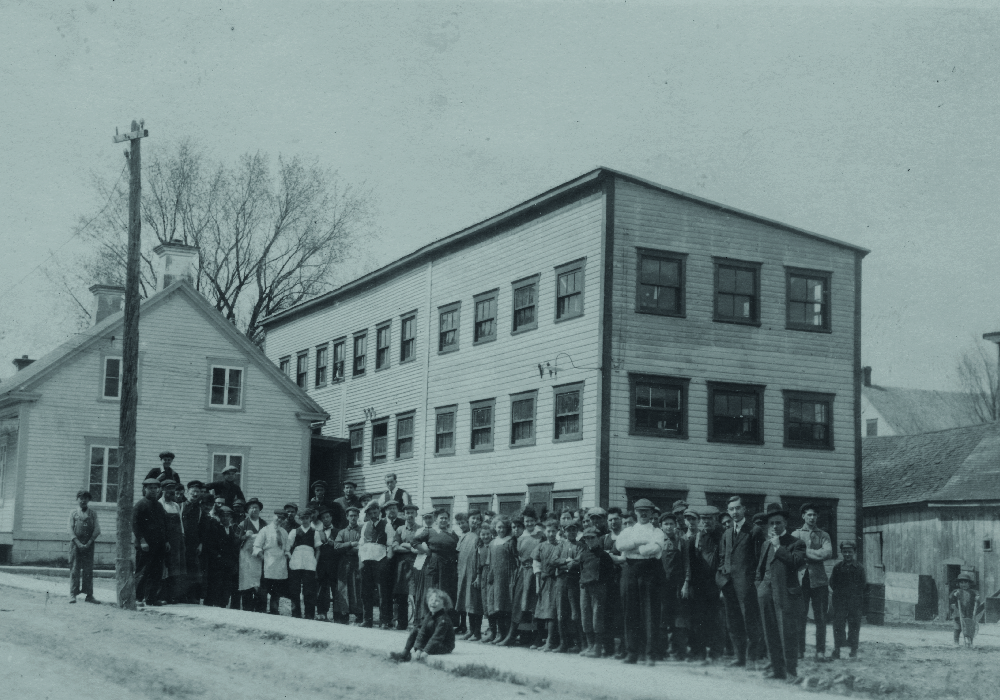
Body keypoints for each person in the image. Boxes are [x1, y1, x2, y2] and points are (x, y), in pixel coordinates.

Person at [755, 502, 807, 682]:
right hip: (766, 594)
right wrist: (759, 588)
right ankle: (776, 670)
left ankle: (791, 672)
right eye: (771, 523)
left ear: (785, 522)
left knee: (787, 634)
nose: (775, 526)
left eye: (778, 523)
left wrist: (778, 547)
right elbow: (759, 569)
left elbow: (795, 563)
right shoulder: (765, 544)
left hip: (785, 594)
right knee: (770, 633)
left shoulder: (796, 543)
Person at [716, 495, 766, 668]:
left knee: (750, 621)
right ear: (728, 512)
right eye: (731, 509)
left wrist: (756, 582)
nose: (735, 512)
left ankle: (752, 658)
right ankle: (740, 657)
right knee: (733, 621)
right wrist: (721, 580)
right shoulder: (727, 533)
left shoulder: (754, 530)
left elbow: (761, 559)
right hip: (728, 585)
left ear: (744, 509)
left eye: (738, 508)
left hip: (747, 585)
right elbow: (722, 558)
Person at [615, 498, 665, 665]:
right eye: (640, 511)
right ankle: (632, 652)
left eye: (647, 511)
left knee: (650, 612)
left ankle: (650, 653)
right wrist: (639, 543)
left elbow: (655, 548)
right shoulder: (628, 531)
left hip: (650, 571)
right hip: (629, 571)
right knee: (630, 612)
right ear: (635, 512)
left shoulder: (657, 532)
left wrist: (637, 548)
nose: (643, 514)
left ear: (652, 513)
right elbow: (620, 546)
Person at [792, 503, 833, 661]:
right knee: (800, 617)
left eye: (815, 515)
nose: (812, 517)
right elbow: (795, 555)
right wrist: (815, 554)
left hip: (819, 581)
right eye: (809, 514)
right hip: (801, 581)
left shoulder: (824, 535)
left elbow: (827, 553)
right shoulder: (796, 534)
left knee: (820, 617)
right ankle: (799, 650)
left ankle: (820, 651)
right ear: (803, 516)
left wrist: (805, 552)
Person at [681, 505, 723, 663]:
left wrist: (723, 586)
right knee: (698, 618)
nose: (706, 522)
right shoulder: (695, 539)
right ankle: (698, 651)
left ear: (715, 519)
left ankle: (716, 652)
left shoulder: (723, 537)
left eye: (710, 519)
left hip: (717, 585)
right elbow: (689, 564)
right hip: (699, 586)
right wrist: (688, 584)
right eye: (704, 519)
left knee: (716, 620)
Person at [412, 509, 460, 626]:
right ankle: (428, 621)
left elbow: (458, 549)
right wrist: (426, 551)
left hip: (449, 567)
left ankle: (445, 621)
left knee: (446, 592)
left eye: (445, 518)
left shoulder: (452, 534)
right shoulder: (430, 531)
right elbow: (414, 541)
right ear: (436, 519)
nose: (443, 520)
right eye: (441, 518)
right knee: (432, 592)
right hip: (434, 566)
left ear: (448, 520)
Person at [391, 588, 456, 662]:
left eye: (437, 601)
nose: (433, 602)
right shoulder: (429, 615)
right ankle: (405, 653)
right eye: (431, 600)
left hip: (443, 644)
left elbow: (436, 638)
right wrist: (418, 649)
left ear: (444, 605)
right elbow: (422, 632)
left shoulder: (443, 620)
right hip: (432, 641)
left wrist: (426, 652)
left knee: (430, 644)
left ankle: (415, 654)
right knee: (415, 630)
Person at [358, 500, 395, 628]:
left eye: (375, 511)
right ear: (367, 513)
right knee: (366, 591)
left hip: (380, 560)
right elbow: (361, 544)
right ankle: (367, 620)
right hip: (366, 559)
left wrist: (387, 561)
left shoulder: (387, 524)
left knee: (382, 592)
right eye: (371, 512)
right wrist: (361, 561)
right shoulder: (365, 526)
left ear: (379, 511)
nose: (373, 514)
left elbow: (390, 544)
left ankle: (384, 621)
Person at [578, 525, 614, 657]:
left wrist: (601, 585)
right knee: (585, 616)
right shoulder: (583, 555)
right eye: (586, 539)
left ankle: (598, 648)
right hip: (584, 587)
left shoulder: (604, 556)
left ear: (598, 538)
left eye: (592, 538)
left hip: (598, 588)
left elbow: (610, 574)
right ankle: (590, 645)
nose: (589, 541)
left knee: (597, 617)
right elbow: (581, 570)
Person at [133, 477, 169, 606]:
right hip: (145, 545)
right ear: (144, 489)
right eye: (150, 488)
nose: (153, 491)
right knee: (143, 571)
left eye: (155, 488)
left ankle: (151, 598)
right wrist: (142, 541)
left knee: (156, 572)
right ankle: (137, 598)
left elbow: (163, 525)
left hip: (158, 545)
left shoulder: (159, 505)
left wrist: (165, 541)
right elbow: (136, 526)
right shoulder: (140, 505)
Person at [829, 540, 866, 659]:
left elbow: (863, 585)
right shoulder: (837, 567)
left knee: (854, 625)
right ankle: (837, 649)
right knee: (838, 625)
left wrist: (854, 595)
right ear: (841, 553)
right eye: (844, 552)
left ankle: (853, 649)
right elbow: (832, 583)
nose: (847, 554)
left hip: (855, 601)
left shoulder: (859, 568)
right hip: (840, 601)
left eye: (850, 552)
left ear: (854, 552)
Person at [485, 516, 518, 646]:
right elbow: (490, 561)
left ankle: (506, 634)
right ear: (495, 528)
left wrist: (513, 577)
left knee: (505, 606)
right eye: (499, 527)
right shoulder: (493, 543)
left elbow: (516, 560)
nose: (501, 530)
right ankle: (498, 633)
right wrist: (490, 575)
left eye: (503, 527)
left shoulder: (510, 541)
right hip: (495, 577)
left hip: (507, 577)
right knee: (495, 605)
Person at [658, 511, 685, 660]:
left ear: (676, 526)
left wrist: (686, 583)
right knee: (662, 619)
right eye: (666, 524)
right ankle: (662, 650)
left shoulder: (681, 541)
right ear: (661, 526)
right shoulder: (658, 542)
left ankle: (678, 650)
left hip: (677, 586)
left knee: (678, 619)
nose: (669, 527)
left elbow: (687, 564)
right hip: (662, 586)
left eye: (671, 524)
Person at [532, 518, 563, 651]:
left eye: (553, 531)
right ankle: (539, 639)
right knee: (540, 611)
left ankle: (550, 641)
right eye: (549, 531)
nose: (551, 534)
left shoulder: (561, 545)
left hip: (555, 581)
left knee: (551, 611)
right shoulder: (541, 546)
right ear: (545, 531)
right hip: (543, 581)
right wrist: (538, 585)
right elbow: (536, 567)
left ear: (557, 531)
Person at [286, 508, 322, 619]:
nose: (305, 521)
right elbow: (287, 549)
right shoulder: (294, 532)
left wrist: (315, 562)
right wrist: (292, 559)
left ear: (310, 518)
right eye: (302, 518)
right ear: (299, 519)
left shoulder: (315, 532)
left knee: (309, 590)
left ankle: (309, 615)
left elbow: (318, 549)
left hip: (309, 563)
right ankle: (296, 614)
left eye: (306, 518)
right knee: (295, 589)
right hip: (296, 562)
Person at [253, 509, 290, 615]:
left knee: (276, 593)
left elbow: (287, 549)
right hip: (267, 566)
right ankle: (261, 612)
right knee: (263, 592)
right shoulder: (265, 530)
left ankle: (274, 612)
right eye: (278, 517)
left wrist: (287, 557)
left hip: (280, 567)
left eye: (282, 518)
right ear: (273, 516)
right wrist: (264, 559)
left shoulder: (284, 532)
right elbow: (257, 547)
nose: (280, 520)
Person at [392, 503, 422, 630]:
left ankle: (417, 622)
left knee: (416, 594)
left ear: (416, 514)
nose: (409, 515)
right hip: (402, 566)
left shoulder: (420, 529)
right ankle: (402, 623)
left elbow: (421, 547)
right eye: (407, 513)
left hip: (416, 565)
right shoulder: (399, 529)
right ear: (404, 515)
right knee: (401, 595)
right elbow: (394, 547)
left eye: (412, 513)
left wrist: (405, 545)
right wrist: (410, 548)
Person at [68, 490, 101, 604]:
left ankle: (89, 595)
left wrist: (89, 542)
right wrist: (78, 543)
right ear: (77, 499)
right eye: (81, 498)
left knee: (88, 569)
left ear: (89, 500)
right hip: (75, 545)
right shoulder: (73, 513)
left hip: (89, 545)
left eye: (86, 498)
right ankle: (73, 594)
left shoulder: (93, 513)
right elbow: (70, 529)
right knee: (75, 569)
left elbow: (97, 529)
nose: (83, 500)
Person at [204, 505, 240, 607]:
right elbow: (210, 546)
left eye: (227, 516)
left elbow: (234, 546)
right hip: (217, 564)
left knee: (226, 587)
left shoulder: (233, 529)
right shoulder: (215, 528)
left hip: (229, 564)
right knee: (216, 586)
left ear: (231, 518)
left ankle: (223, 606)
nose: (225, 518)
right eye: (223, 516)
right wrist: (218, 556)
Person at [158, 479, 187, 604]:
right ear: (162, 490)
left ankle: (172, 596)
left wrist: (182, 536)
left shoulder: (176, 505)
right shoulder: (160, 504)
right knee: (164, 569)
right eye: (168, 488)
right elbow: (161, 525)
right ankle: (161, 595)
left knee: (176, 569)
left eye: (172, 489)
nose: (170, 491)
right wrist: (165, 541)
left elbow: (180, 523)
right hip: (166, 542)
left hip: (177, 541)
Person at [333, 505, 363, 623]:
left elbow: (363, 547)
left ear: (358, 516)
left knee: (357, 588)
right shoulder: (342, 532)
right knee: (343, 587)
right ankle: (343, 613)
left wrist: (348, 547)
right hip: (344, 563)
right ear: (347, 517)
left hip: (357, 562)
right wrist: (350, 544)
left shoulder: (362, 530)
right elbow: (336, 546)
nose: (353, 518)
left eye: (355, 515)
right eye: (351, 516)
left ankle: (359, 614)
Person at [179, 480, 207, 603]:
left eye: (197, 492)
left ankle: (191, 596)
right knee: (181, 570)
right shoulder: (181, 506)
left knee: (193, 571)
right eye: (193, 492)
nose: (195, 494)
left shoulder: (200, 510)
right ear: (188, 492)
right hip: (182, 543)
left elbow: (202, 529)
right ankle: (179, 596)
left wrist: (201, 544)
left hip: (194, 545)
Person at [237, 497, 266, 611]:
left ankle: (260, 610)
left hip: (259, 557)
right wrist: (245, 536)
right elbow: (236, 540)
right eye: (252, 508)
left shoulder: (264, 524)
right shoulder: (243, 524)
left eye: (256, 508)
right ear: (247, 510)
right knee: (247, 583)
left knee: (260, 583)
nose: (254, 510)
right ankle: (247, 609)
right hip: (246, 558)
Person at [456, 511, 482, 639]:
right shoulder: (465, 536)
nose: (475, 521)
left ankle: (477, 632)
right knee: (467, 601)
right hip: (463, 573)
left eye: (477, 519)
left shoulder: (480, 536)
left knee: (475, 602)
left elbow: (482, 557)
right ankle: (470, 630)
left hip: (474, 573)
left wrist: (478, 575)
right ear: (468, 520)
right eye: (473, 519)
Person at [315, 507, 339, 621]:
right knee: (322, 591)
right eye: (323, 518)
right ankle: (322, 613)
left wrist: (333, 543)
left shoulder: (338, 531)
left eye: (328, 517)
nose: (326, 519)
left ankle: (337, 615)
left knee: (336, 590)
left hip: (334, 566)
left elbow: (341, 548)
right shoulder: (317, 532)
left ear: (331, 518)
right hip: (321, 566)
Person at [950, 572, 979, 647]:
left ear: (969, 584)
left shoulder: (972, 592)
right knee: (958, 627)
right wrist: (955, 595)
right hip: (958, 613)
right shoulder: (957, 591)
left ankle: (970, 641)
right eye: (961, 583)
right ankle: (956, 642)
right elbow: (951, 597)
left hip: (968, 613)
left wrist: (977, 598)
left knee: (969, 627)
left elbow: (977, 596)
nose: (964, 584)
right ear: (958, 584)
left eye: (966, 582)